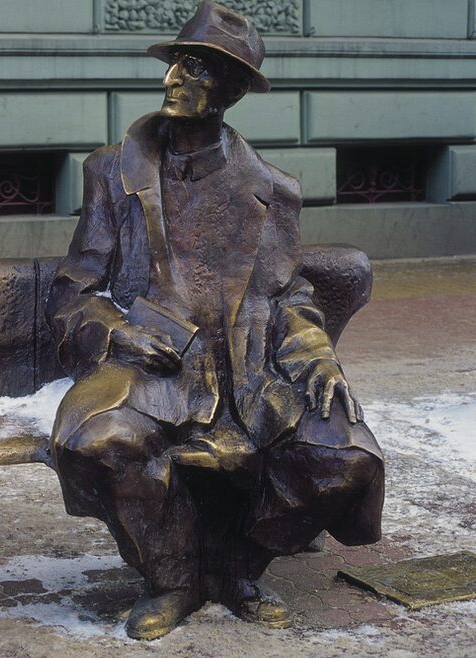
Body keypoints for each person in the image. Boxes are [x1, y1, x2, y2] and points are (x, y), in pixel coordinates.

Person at [45, 0, 384, 640]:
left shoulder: (273, 190)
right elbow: (73, 289)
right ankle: (172, 579)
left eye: (194, 69)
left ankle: (237, 567)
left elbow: (289, 294)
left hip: (247, 371)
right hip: (152, 369)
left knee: (347, 460)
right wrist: (118, 331)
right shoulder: (112, 173)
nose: (173, 79)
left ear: (228, 91)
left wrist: (317, 356)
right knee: (96, 440)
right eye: (176, 64)